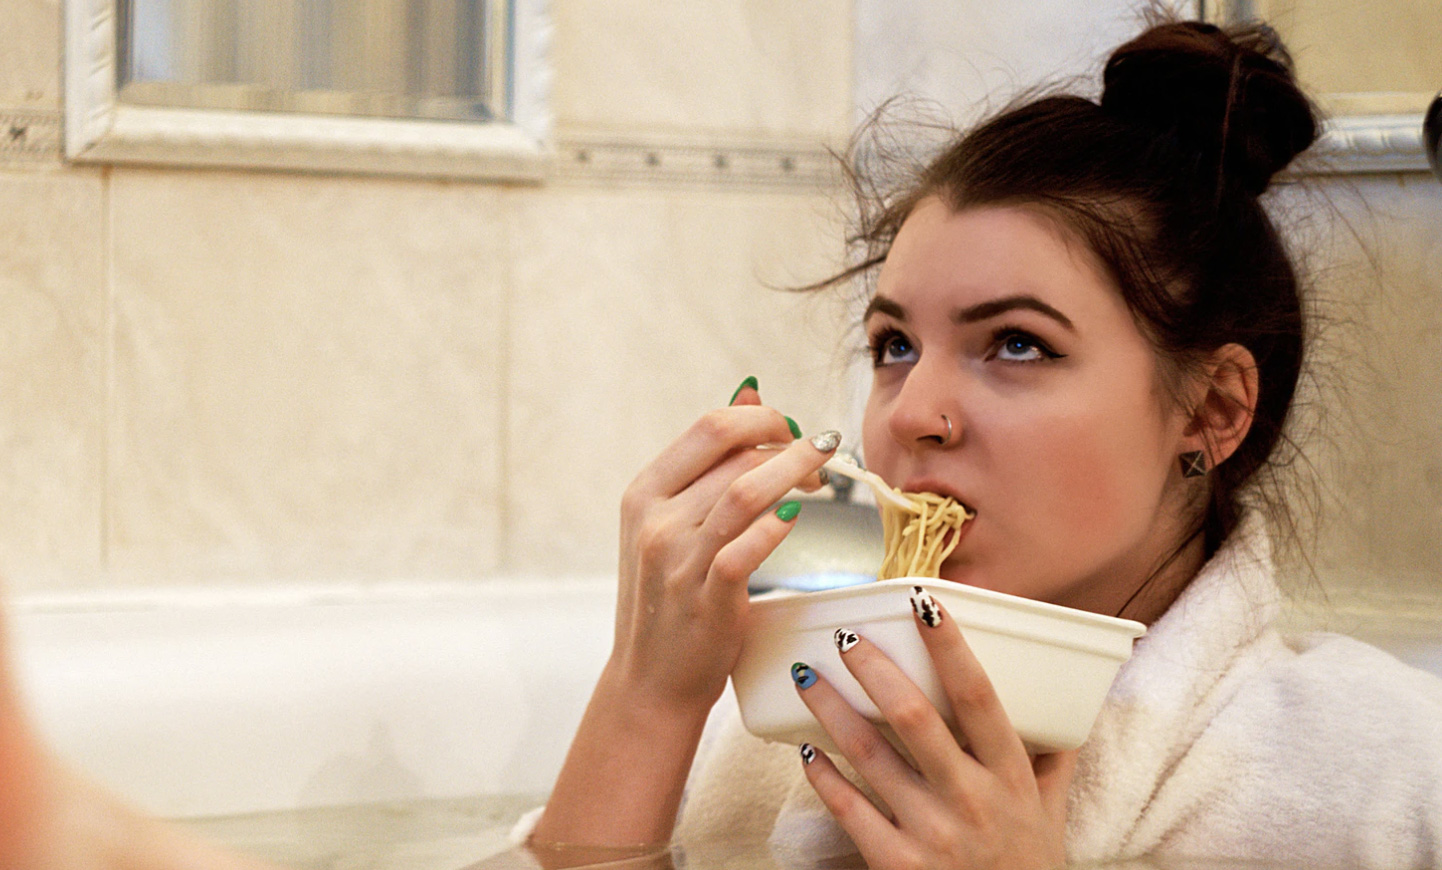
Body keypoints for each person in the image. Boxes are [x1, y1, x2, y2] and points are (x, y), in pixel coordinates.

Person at [528, 15, 1442, 870]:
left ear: (1213, 411)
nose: (911, 412)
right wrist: (648, 697)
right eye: (895, 347)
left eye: (1016, 344)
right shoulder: (788, 712)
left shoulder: (1385, 773)